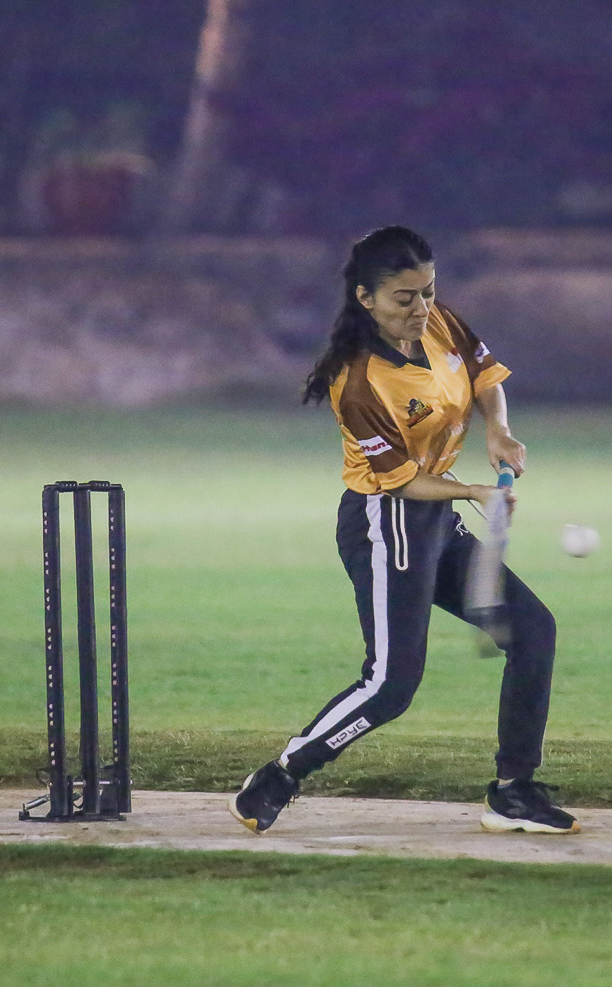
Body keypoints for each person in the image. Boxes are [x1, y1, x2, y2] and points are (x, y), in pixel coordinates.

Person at [229, 225, 577, 835]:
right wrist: (476, 492)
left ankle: (514, 791)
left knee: (532, 630)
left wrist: (498, 431)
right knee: (391, 685)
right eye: (404, 298)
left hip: (436, 520)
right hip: (385, 524)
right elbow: (400, 482)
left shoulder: (438, 322)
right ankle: (280, 775)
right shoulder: (359, 382)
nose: (421, 308)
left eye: (428, 291)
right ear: (366, 298)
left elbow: (486, 377)